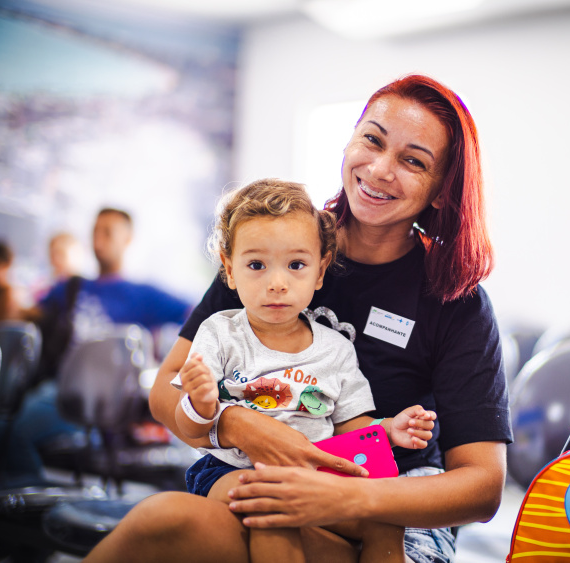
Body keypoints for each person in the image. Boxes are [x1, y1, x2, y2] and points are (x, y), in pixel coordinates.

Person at [86, 73, 511, 563]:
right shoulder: (273, 246)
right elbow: (167, 392)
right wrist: (238, 424)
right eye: (371, 140)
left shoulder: (455, 299)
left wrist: (350, 496)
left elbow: (483, 485)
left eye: (413, 161)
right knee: (164, 522)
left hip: (388, 501)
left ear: (441, 191)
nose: (379, 168)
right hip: (262, 478)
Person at [176, 178, 437, 562]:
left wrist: (387, 430)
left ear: (320, 272)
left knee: (386, 516)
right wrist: (198, 403)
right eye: (256, 265)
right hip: (231, 470)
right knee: (275, 505)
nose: (277, 283)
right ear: (229, 272)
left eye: (296, 265)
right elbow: (191, 430)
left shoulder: (337, 349)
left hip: (317, 478)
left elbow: (353, 427)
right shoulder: (219, 333)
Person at [0, 208, 193, 476]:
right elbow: (23, 315)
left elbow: (196, 313)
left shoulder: (143, 294)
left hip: (109, 398)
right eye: (95, 231)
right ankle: (30, 492)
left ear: (127, 240)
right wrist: (1, 287)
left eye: (108, 232)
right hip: (63, 388)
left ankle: (29, 500)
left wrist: (172, 362)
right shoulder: (72, 287)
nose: (99, 240)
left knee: (10, 433)